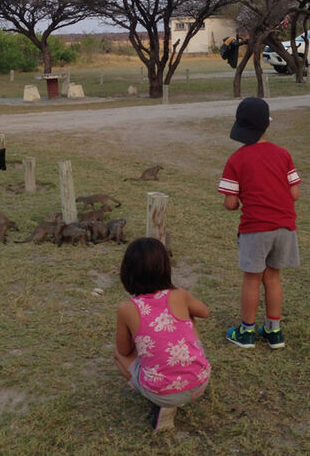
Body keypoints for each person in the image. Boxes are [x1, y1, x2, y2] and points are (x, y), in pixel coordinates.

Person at [218, 97, 301, 350]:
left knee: (252, 279)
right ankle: (274, 331)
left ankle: (246, 332)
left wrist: (235, 201)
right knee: (273, 277)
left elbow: (231, 203)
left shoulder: (237, 160)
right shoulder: (283, 154)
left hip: (255, 230)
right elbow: (294, 193)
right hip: (285, 228)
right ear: (267, 125)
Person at [114, 237, 211, 431]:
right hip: (200, 382)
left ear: (127, 272)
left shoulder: (126, 308)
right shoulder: (180, 295)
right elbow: (204, 312)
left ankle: (161, 403)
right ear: (166, 268)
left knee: (117, 355)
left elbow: (124, 351)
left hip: (161, 392)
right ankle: (186, 379)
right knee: (189, 319)